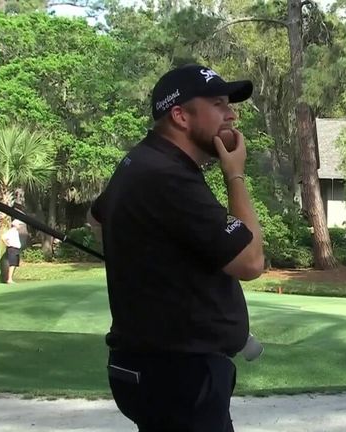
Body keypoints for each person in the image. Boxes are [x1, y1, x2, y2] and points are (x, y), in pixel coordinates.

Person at [87, 64, 265, 432]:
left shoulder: (140, 160)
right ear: (180, 115)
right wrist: (235, 173)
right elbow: (250, 262)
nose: (231, 113)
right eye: (218, 104)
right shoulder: (168, 176)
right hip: (180, 376)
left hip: (148, 369)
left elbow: (96, 217)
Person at [2, 219, 23, 284]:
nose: (20, 226)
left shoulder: (16, 231)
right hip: (12, 249)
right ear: (15, 225)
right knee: (12, 264)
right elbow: (3, 237)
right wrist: (7, 244)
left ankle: (10, 278)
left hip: (16, 249)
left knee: (15, 264)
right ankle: (9, 279)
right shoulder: (11, 231)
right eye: (19, 224)